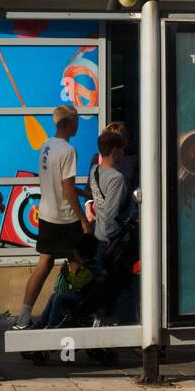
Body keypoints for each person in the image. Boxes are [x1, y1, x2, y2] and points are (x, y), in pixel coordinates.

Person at [15, 105, 91, 329]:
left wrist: (81, 191)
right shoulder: (68, 151)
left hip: (47, 215)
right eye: (76, 120)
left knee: (44, 263)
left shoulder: (46, 145)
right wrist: (83, 220)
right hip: (66, 218)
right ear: (68, 123)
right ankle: (77, 313)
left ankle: (23, 317)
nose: (79, 124)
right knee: (78, 262)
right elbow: (66, 189)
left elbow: (56, 180)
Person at [87, 127, 137, 325]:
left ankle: (100, 320)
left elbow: (100, 205)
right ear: (115, 151)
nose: (124, 155)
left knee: (105, 285)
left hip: (99, 237)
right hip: (112, 241)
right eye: (122, 151)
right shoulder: (116, 178)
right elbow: (111, 213)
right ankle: (126, 327)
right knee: (125, 287)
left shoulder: (95, 171)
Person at [33, 234, 104, 330]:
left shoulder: (89, 269)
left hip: (83, 298)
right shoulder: (94, 266)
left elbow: (78, 283)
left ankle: (52, 324)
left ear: (79, 254)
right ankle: (41, 323)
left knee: (58, 297)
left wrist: (67, 274)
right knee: (55, 296)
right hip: (85, 296)